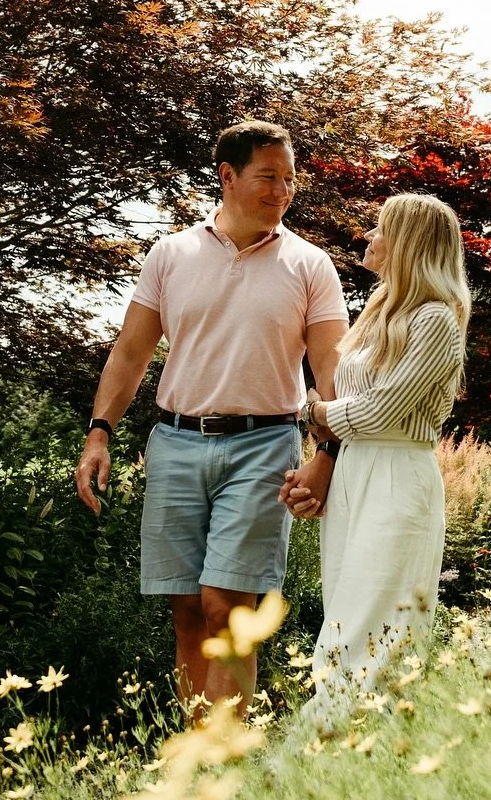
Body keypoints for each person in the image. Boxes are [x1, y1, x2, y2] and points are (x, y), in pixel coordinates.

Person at [74, 120, 348, 710]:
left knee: (229, 607)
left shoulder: (311, 265)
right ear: (227, 177)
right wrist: (100, 433)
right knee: (189, 612)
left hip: (265, 445)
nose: (282, 191)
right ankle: (197, 759)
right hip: (175, 443)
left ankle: (223, 763)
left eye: (290, 179)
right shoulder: (171, 254)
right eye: (268, 177)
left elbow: (333, 371)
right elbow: (130, 351)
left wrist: (328, 452)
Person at [280, 193, 470, 713]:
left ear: (407, 243)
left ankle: (313, 754)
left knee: (372, 628)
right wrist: (325, 428)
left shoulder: (435, 320)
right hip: (356, 473)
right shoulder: (379, 314)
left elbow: (378, 413)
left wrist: (314, 412)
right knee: (344, 615)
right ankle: (349, 756)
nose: (368, 237)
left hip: (396, 474)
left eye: (380, 229)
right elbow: (355, 405)